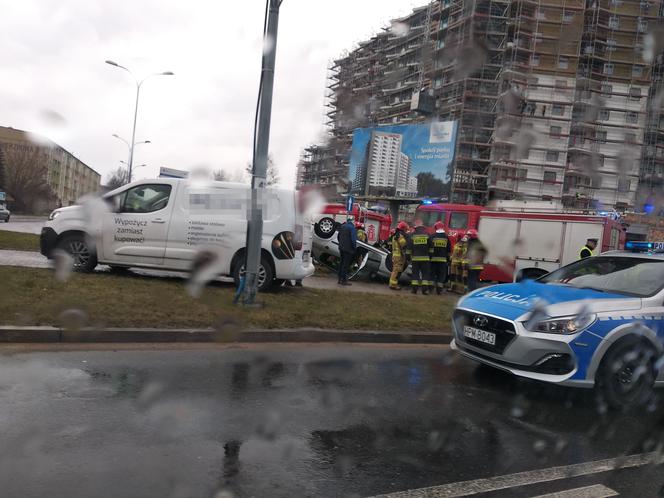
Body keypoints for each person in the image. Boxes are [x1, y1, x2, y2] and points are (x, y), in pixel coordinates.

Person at [408, 220, 432, 294]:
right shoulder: (427, 234)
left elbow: (409, 247)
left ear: (416, 228)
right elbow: (431, 247)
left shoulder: (412, 235)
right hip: (425, 259)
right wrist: (430, 256)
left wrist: (408, 257)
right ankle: (424, 289)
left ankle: (414, 289)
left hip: (415, 258)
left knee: (415, 273)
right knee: (425, 274)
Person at [429, 221, 450, 295]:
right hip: (442, 260)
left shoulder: (432, 236)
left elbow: (429, 248)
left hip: (433, 259)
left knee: (432, 274)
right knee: (441, 275)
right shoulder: (446, 237)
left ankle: (430, 289)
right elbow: (448, 250)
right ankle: (439, 290)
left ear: (435, 227)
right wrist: (448, 260)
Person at [389, 222, 409, 290]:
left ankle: (393, 284)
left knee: (396, 270)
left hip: (395, 255)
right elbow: (403, 245)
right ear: (403, 229)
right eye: (406, 229)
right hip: (398, 256)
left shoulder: (395, 235)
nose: (406, 231)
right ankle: (393, 285)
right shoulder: (400, 236)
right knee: (396, 270)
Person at [337, 219, 357, 286]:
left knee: (341, 263)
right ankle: (344, 280)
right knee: (346, 265)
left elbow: (338, 236)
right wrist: (354, 248)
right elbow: (353, 239)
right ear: (352, 222)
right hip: (348, 249)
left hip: (341, 248)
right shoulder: (352, 228)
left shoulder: (342, 226)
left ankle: (339, 279)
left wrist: (340, 243)